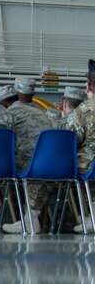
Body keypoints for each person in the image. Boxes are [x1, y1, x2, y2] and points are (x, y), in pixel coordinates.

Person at [1, 79, 55, 234]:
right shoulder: (44, 115)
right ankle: (30, 218)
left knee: (6, 173)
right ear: (33, 94)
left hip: (28, 164)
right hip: (51, 163)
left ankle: (21, 219)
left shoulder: (9, 113)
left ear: (16, 93)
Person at [65, 60, 95, 233]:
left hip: (90, 164)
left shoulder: (83, 110)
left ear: (89, 85)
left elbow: (71, 141)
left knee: (77, 163)